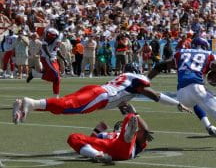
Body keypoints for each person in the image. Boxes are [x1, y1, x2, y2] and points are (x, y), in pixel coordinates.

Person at [148, 37, 216, 151]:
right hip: (197, 89)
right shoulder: (208, 54)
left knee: (196, 102)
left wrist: (146, 79)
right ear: (205, 46)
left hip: (181, 94)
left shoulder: (180, 52)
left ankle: (208, 126)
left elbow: (160, 65)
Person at [12, 63, 191, 124]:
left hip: (95, 91)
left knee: (64, 108)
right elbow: (156, 96)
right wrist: (176, 103)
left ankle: (25, 106)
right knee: (67, 107)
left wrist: (135, 121)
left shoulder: (125, 82)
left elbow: (126, 107)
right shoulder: (137, 81)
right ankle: (31, 103)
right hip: (100, 96)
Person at [67, 113, 153, 163]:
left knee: (130, 116)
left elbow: (145, 130)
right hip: (109, 148)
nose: (121, 125)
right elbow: (91, 141)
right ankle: (98, 155)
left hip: (126, 149)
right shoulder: (107, 134)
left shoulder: (137, 138)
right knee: (73, 137)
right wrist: (96, 130)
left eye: (123, 125)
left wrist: (136, 115)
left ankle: (128, 136)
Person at [26, 28, 67, 98]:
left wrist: (63, 59)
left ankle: (55, 97)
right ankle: (56, 97)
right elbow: (45, 47)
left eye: (49, 36)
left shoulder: (58, 39)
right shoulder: (46, 40)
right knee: (56, 77)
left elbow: (56, 50)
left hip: (54, 59)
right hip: (46, 58)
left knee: (57, 78)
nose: (47, 37)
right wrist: (50, 56)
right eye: (47, 36)